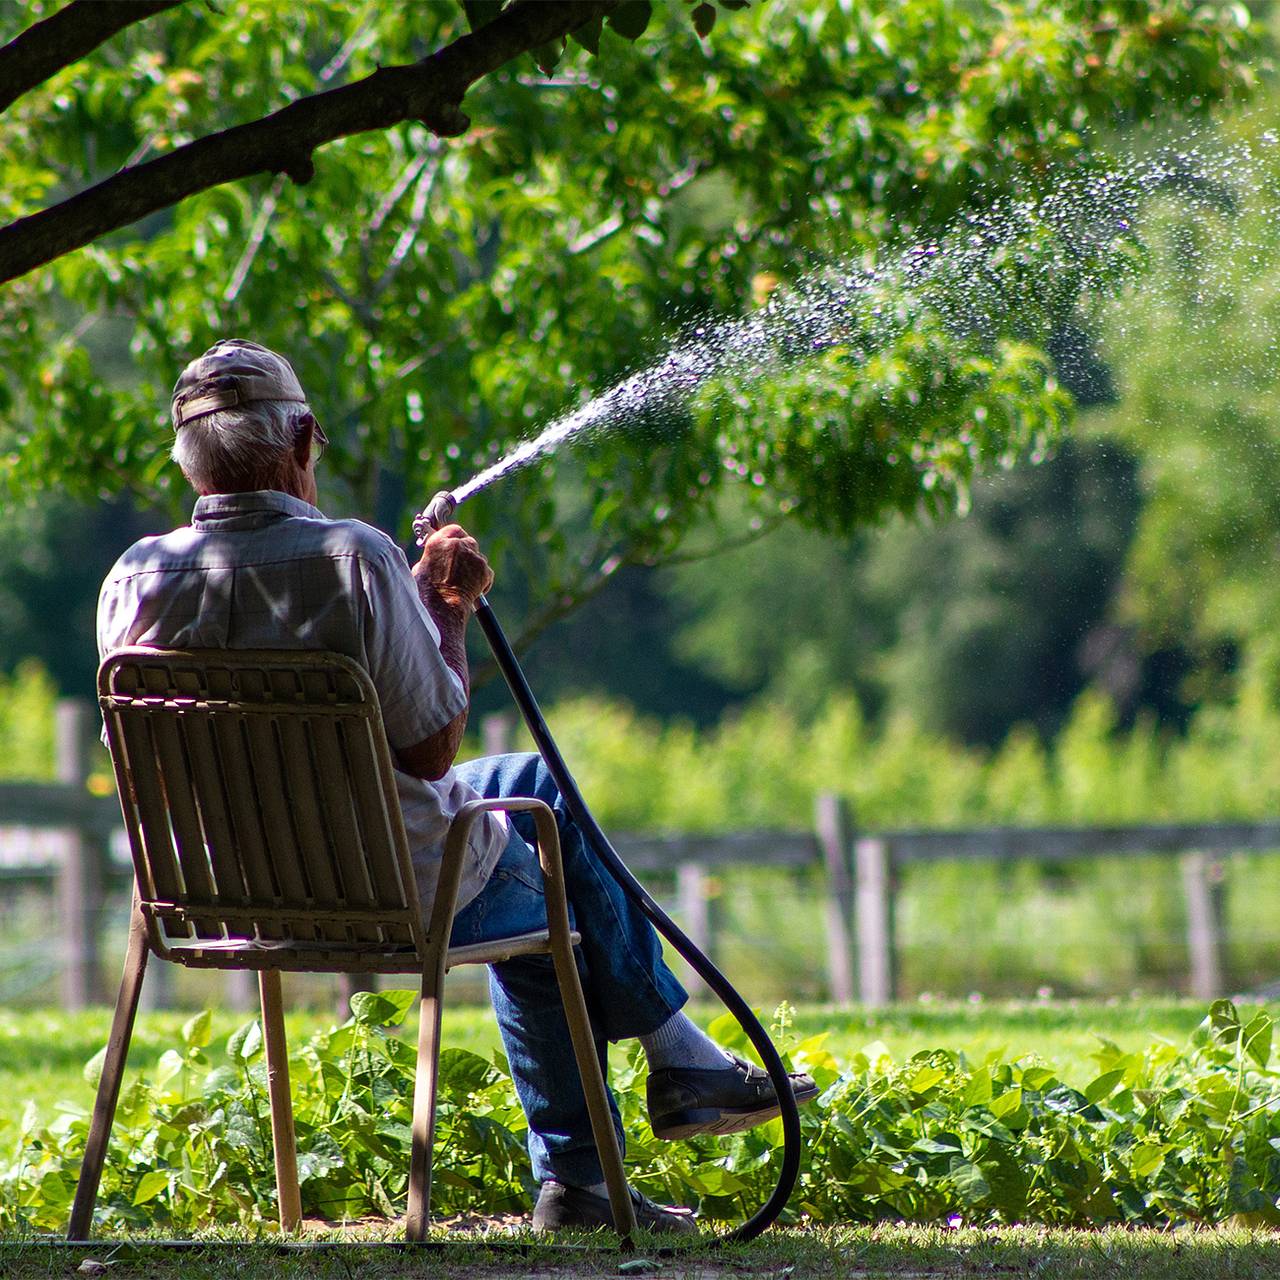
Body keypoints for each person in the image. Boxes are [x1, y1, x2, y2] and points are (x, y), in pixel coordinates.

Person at [97, 339, 817, 1234]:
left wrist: (403, 603)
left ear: (187, 458)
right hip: (389, 892)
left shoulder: (135, 576)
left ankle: (672, 1074)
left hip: (214, 896)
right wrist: (442, 609)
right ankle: (626, 1122)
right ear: (304, 441)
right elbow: (434, 748)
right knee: (544, 871)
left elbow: (149, 761)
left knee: (528, 783)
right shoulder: (355, 559)